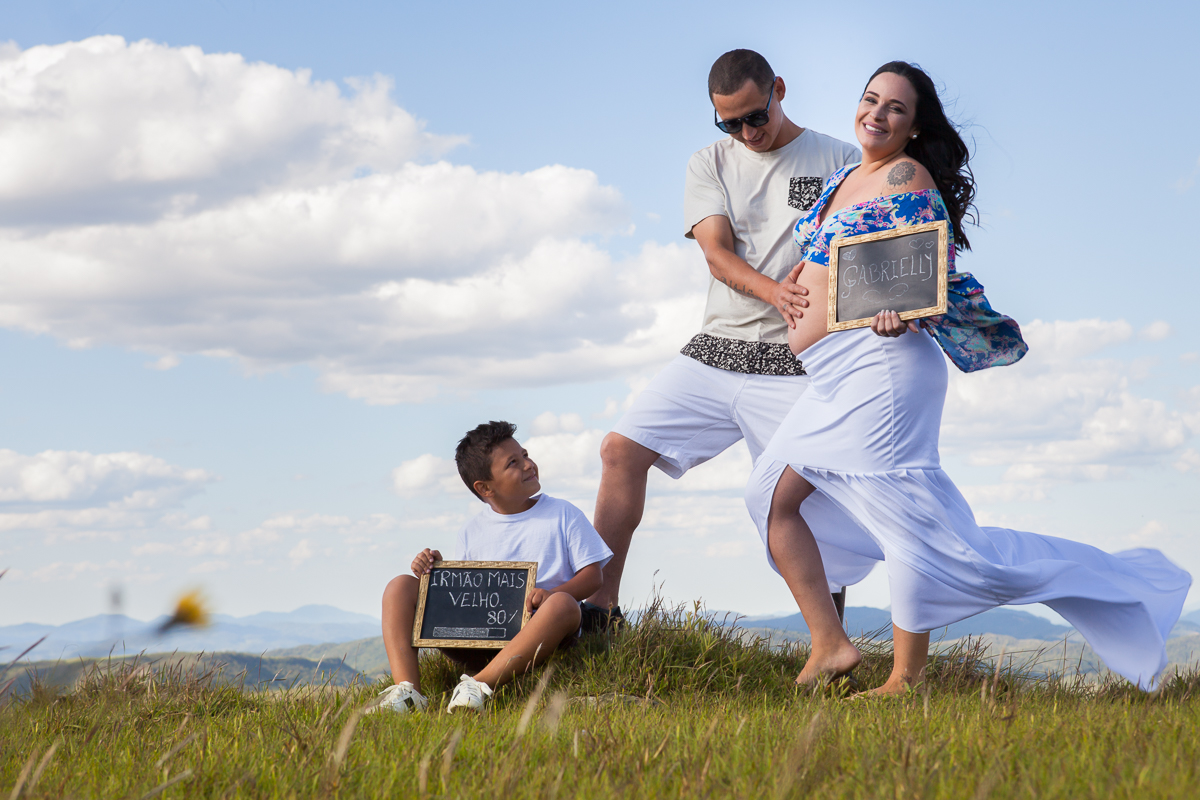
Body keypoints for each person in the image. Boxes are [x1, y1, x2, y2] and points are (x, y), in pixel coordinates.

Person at [745, 61, 1190, 694]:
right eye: (870, 99)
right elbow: (826, 263)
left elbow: (931, 265)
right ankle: (832, 646)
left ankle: (908, 677)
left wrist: (904, 309)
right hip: (830, 372)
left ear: (914, 124)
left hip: (882, 366)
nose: (877, 113)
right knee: (770, 497)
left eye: (895, 108)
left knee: (908, 520)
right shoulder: (848, 175)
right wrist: (792, 288)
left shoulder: (905, 174)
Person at [585, 49, 872, 628]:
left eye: (754, 118)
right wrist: (776, 293)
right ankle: (598, 612)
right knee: (620, 450)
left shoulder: (840, 159)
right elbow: (716, 255)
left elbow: (861, 257)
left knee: (805, 499)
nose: (745, 133)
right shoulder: (709, 161)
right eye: (729, 123)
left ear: (779, 91)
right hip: (717, 350)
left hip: (797, 361)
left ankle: (829, 642)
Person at [373, 421, 613, 714]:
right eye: (514, 462)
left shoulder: (562, 514)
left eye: (525, 454)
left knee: (563, 604)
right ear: (485, 488)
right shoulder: (472, 531)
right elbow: (467, 594)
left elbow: (593, 576)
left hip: (541, 638)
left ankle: (479, 686)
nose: (528, 464)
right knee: (399, 586)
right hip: (478, 641)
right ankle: (408, 693)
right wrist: (434, 574)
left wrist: (553, 593)